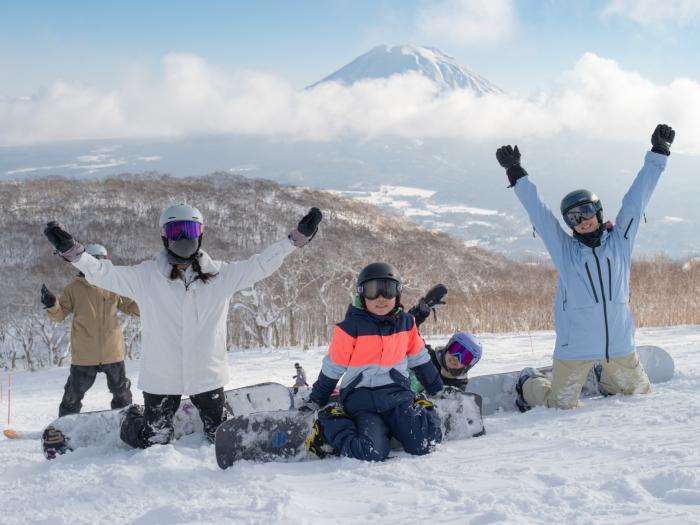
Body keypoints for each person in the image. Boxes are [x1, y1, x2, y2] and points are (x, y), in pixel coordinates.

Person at [44, 204, 322, 448]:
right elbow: (103, 274)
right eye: (176, 231)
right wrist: (75, 253)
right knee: (154, 440)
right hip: (162, 376)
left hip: (207, 374)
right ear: (165, 236)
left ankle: (215, 416)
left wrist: (295, 240)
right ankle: (131, 418)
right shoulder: (146, 277)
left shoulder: (221, 276)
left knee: (219, 435)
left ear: (200, 234)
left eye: (190, 229)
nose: (184, 237)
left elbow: (261, 264)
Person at [495, 123, 675, 411]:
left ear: (598, 211)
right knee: (560, 404)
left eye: (587, 211)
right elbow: (540, 214)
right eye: (573, 218)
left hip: (618, 343)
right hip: (574, 346)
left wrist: (659, 152)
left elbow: (636, 200)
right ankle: (529, 381)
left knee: (640, 392)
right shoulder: (566, 251)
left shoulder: (620, 241)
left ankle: (607, 377)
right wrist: (515, 172)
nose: (582, 220)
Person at [301, 262, 444, 461]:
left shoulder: (406, 323)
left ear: (398, 293)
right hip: (362, 402)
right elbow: (333, 368)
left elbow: (420, 360)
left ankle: (421, 407)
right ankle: (332, 419)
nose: (380, 298)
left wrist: (437, 388)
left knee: (424, 444)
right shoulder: (350, 328)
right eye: (372, 291)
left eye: (388, 290)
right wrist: (317, 399)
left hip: (397, 397)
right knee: (370, 452)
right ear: (361, 294)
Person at [42, 243, 140, 416]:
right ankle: (65, 425)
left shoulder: (113, 285)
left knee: (122, 393)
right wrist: (52, 304)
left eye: (103, 263)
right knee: (73, 394)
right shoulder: (73, 288)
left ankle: (124, 420)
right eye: (96, 262)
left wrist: (150, 302)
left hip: (112, 352)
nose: (99, 267)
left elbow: (132, 306)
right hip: (84, 354)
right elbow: (59, 315)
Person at [407, 284, 482, 392]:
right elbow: (408, 332)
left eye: (465, 357)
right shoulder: (427, 356)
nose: (456, 357)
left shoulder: (458, 388)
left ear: (469, 365)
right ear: (448, 347)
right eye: (455, 349)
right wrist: (420, 312)